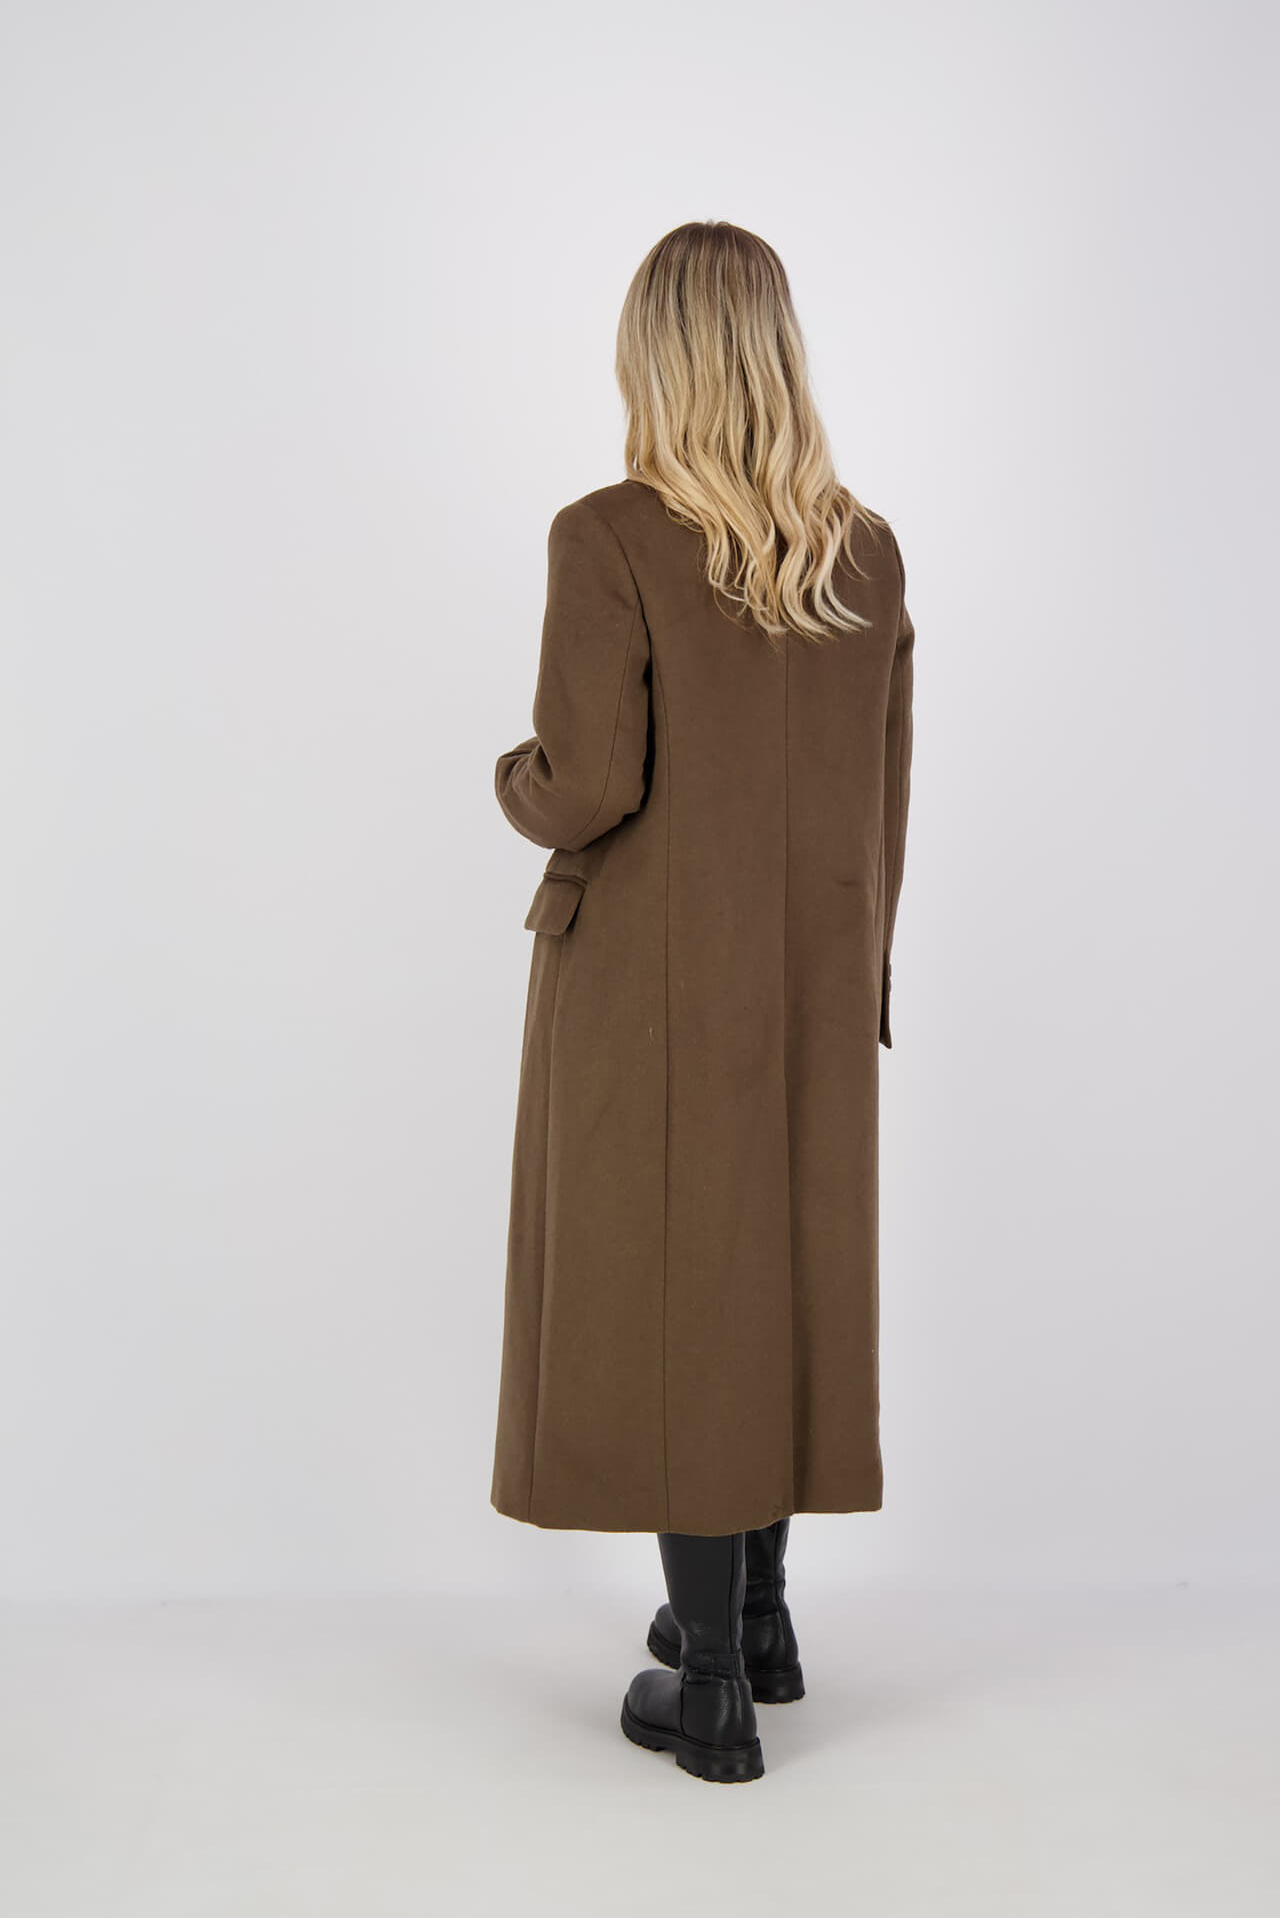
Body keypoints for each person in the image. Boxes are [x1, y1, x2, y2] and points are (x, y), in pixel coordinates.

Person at [489, 220, 915, 1783]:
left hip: (652, 991)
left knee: (685, 1292)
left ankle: (714, 1684)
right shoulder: (865, 555)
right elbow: (884, 794)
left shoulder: (609, 537)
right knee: (781, 1272)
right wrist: (859, 971)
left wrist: (513, 780)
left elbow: (588, 782)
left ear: (654, 357)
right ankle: (765, 1619)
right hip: (817, 982)